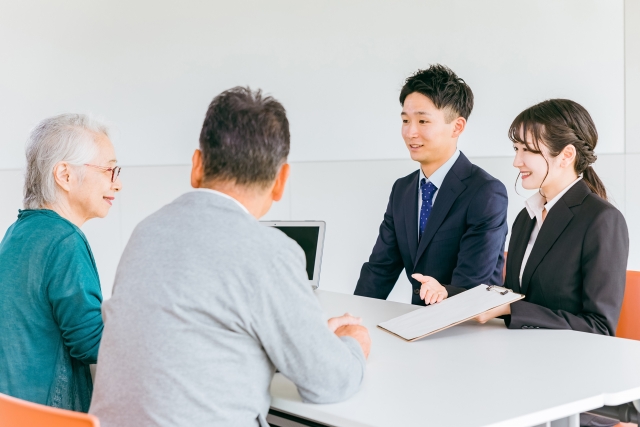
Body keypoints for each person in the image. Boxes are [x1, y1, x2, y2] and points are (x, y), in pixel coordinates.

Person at [90, 87, 371, 427]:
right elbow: (329, 382)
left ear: (196, 165)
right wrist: (352, 345)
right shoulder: (270, 251)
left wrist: (305, 338)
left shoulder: (145, 233)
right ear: (281, 181)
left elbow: (192, 339)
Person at [474, 99, 629, 427]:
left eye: (527, 150)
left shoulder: (602, 220)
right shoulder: (524, 218)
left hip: (567, 386)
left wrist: (511, 311)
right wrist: (447, 293)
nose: (517, 161)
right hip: (518, 374)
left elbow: (599, 329)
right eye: (516, 148)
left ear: (566, 156)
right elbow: (511, 297)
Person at [354, 64, 508, 305]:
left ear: (457, 127)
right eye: (405, 120)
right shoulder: (402, 190)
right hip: (416, 325)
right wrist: (353, 317)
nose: (410, 132)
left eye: (423, 121)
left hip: (467, 329)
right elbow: (380, 270)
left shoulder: (485, 192)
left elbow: (471, 285)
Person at [0, 114, 122, 412]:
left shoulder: (18, 232)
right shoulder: (64, 239)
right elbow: (91, 342)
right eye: (109, 170)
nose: (117, 185)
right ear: (65, 175)